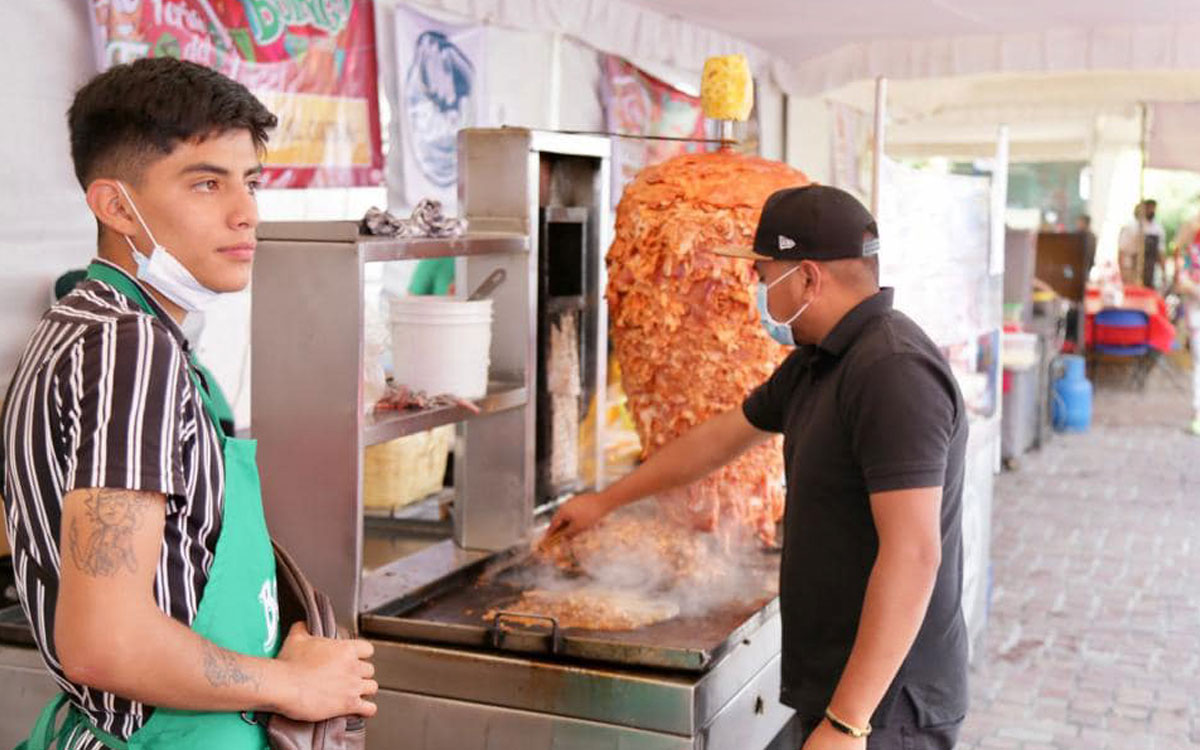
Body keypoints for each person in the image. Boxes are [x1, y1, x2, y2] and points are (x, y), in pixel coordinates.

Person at [0, 58, 378, 750]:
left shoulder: (90, 330)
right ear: (116, 206)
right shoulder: (128, 350)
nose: (246, 214)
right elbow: (104, 643)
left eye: (251, 183)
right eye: (206, 183)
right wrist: (290, 684)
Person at [550, 185, 969, 749]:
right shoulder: (818, 361)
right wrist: (605, 501)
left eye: (764, 273)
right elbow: (720, 439)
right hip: (842, 689)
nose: (758, 289)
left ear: (807, 278)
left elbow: (914, 553)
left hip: (889, 707)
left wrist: (848, 722)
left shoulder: (891, 371)